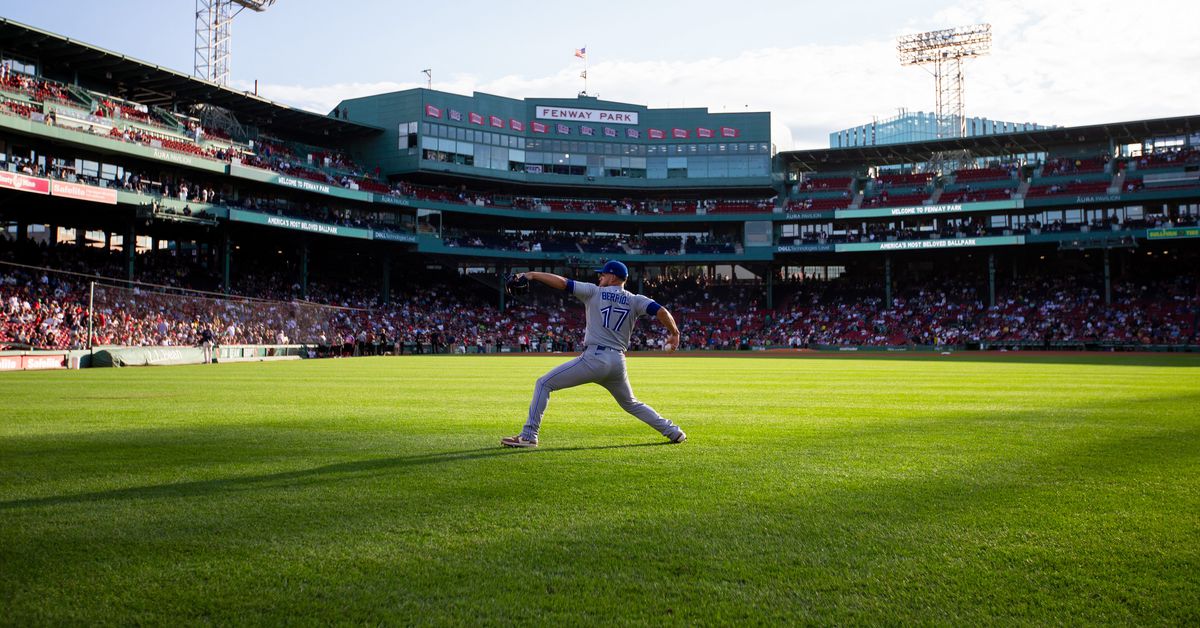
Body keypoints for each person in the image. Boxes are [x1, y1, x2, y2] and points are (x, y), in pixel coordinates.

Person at [501, 260, 686, 448]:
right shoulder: (635, 299)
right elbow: (662, 311)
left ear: (613, 276)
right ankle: (674, 431)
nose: (600, 277)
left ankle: (529, 435)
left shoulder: (593, 291)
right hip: (617, 362)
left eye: (603, 274)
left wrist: (532, 275)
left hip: (594, 358)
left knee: (543, 383)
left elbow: (563, 282)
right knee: (631, 403)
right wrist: (675, 334)